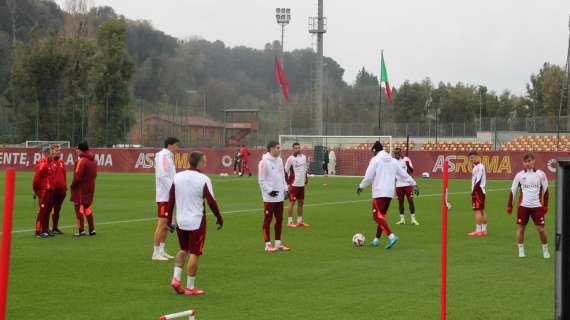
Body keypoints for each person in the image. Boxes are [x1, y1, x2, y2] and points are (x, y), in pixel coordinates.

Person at [168, 152, 224, 296]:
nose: (205, 163)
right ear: (199, 163)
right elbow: (211, 201)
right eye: (204, 160)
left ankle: (176, 278)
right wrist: (219, 217)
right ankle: (191, 287)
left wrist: (169, 220)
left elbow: (171, 199)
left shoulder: (177, 176)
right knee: (195, 253)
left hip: (181, 221)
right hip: (196, 221)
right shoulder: (203, 179)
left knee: (183, 250)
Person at [357, 141, 419, 249]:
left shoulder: (375, 160)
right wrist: (414, 183)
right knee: (382, 217)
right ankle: (376, 240)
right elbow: (403, 174)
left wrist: (361, 186)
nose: (373, 154)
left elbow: (368, 176)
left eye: (373, 152)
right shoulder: (393, 161)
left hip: (378, 193)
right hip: (389, 193)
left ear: (375, 151)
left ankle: (391, 236)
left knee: (376, 217)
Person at [507, 153, 550, 259]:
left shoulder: (541, 174)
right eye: (525, 161)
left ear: (534, 161)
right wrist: (510, 205)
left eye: (529, 161)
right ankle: (521, 251)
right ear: (523, 163)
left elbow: (546, 190)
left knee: (541, 230)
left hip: (537, 207)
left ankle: (545, 250)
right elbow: (513, 190)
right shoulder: (519, 175)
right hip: (523, 207)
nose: (528, 163)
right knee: (521, 229)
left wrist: (545, 205)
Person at [258, 141, 291, 252]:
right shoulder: (264, 162)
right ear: (271, 149)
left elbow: (282, 176)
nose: (279, 149)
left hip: (280, 196)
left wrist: (286, 189)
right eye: (277, 148)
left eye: (279, 148)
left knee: (279, 220)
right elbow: (261, 180)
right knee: (268, 220)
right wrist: (269, 191)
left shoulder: (280, 160)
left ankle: (278, 243)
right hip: (269, 197)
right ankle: (267, 244)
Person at [153, 137, 179, 261]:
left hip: (168, 196)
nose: (177, 148)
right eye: (176, 145)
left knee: (167, 224)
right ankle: (156, 252)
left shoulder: (168, 156)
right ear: (169, 145)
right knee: (162, 223)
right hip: (164, 196)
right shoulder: (163, 156)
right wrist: (173, 190)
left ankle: (162, 250)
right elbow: (162, 175)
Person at [70, 141, 97, 237]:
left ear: (81, 150)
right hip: (90, 188)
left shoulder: (82, 161)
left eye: (78, 149)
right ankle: (92, 229)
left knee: (78, 210)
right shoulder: (93, 160)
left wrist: (72, 186)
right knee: (87, 209)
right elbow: (95, 175)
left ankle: (81, 230)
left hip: (80, 189)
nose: (77, 151)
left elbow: (77, 177)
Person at [285, 142, 309, 228]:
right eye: (296, 148)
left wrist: (306, 180)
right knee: (292, 202)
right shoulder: (290, 159)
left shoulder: (304, 157)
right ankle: (290, 221)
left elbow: (305, 169)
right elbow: (285, 171)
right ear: (293, 149)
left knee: (301, 203)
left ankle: (299, 221)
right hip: (293, 184)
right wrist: (287, 183)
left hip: (301, 185)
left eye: (299, 147)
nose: (298, 149)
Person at [32, 146, 55, 238]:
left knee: (47, 211)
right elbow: (36, 179)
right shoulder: (43, 164)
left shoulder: (49, 163)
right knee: (42, 211)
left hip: (49, 190)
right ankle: (38, 231)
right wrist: (35, 190)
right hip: (43, 191)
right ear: (47, 154)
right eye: (51, 154)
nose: (53, 156)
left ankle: (45, 230)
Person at [393, 147, 419, 226]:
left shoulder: (406, 159)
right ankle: (402, 219)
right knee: (400, 202)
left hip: (407, 184)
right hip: (398, 185)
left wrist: (407, 164)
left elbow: (411, 171)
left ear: (401, 153)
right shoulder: (393, 161)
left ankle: (413, 219)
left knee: (410, 201)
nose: (396, 155)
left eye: (398, 153)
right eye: (395, 153)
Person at [468, 150, 488, 237]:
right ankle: (484, 230)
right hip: (481, 191)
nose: (471, 159)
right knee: (482, 210)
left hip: (478, 191)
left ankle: (478, 231)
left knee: (477, 211)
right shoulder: (477, 166)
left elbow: (478, 180)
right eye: (470, 158)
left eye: (472, 157)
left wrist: (473, 191)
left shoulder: (479, 167)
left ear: (476, 156)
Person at [49, 144, 67, 234]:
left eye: (59, 150)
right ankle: (44, 228)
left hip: (62, 191)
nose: (59, 152)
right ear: (51, 151)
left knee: (57, 210)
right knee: (49, 209)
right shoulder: (50, 162)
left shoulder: (61, 162)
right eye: (57, 151)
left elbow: (64, 175)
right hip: (53, 190)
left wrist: (65, 187)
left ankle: (55, 228)